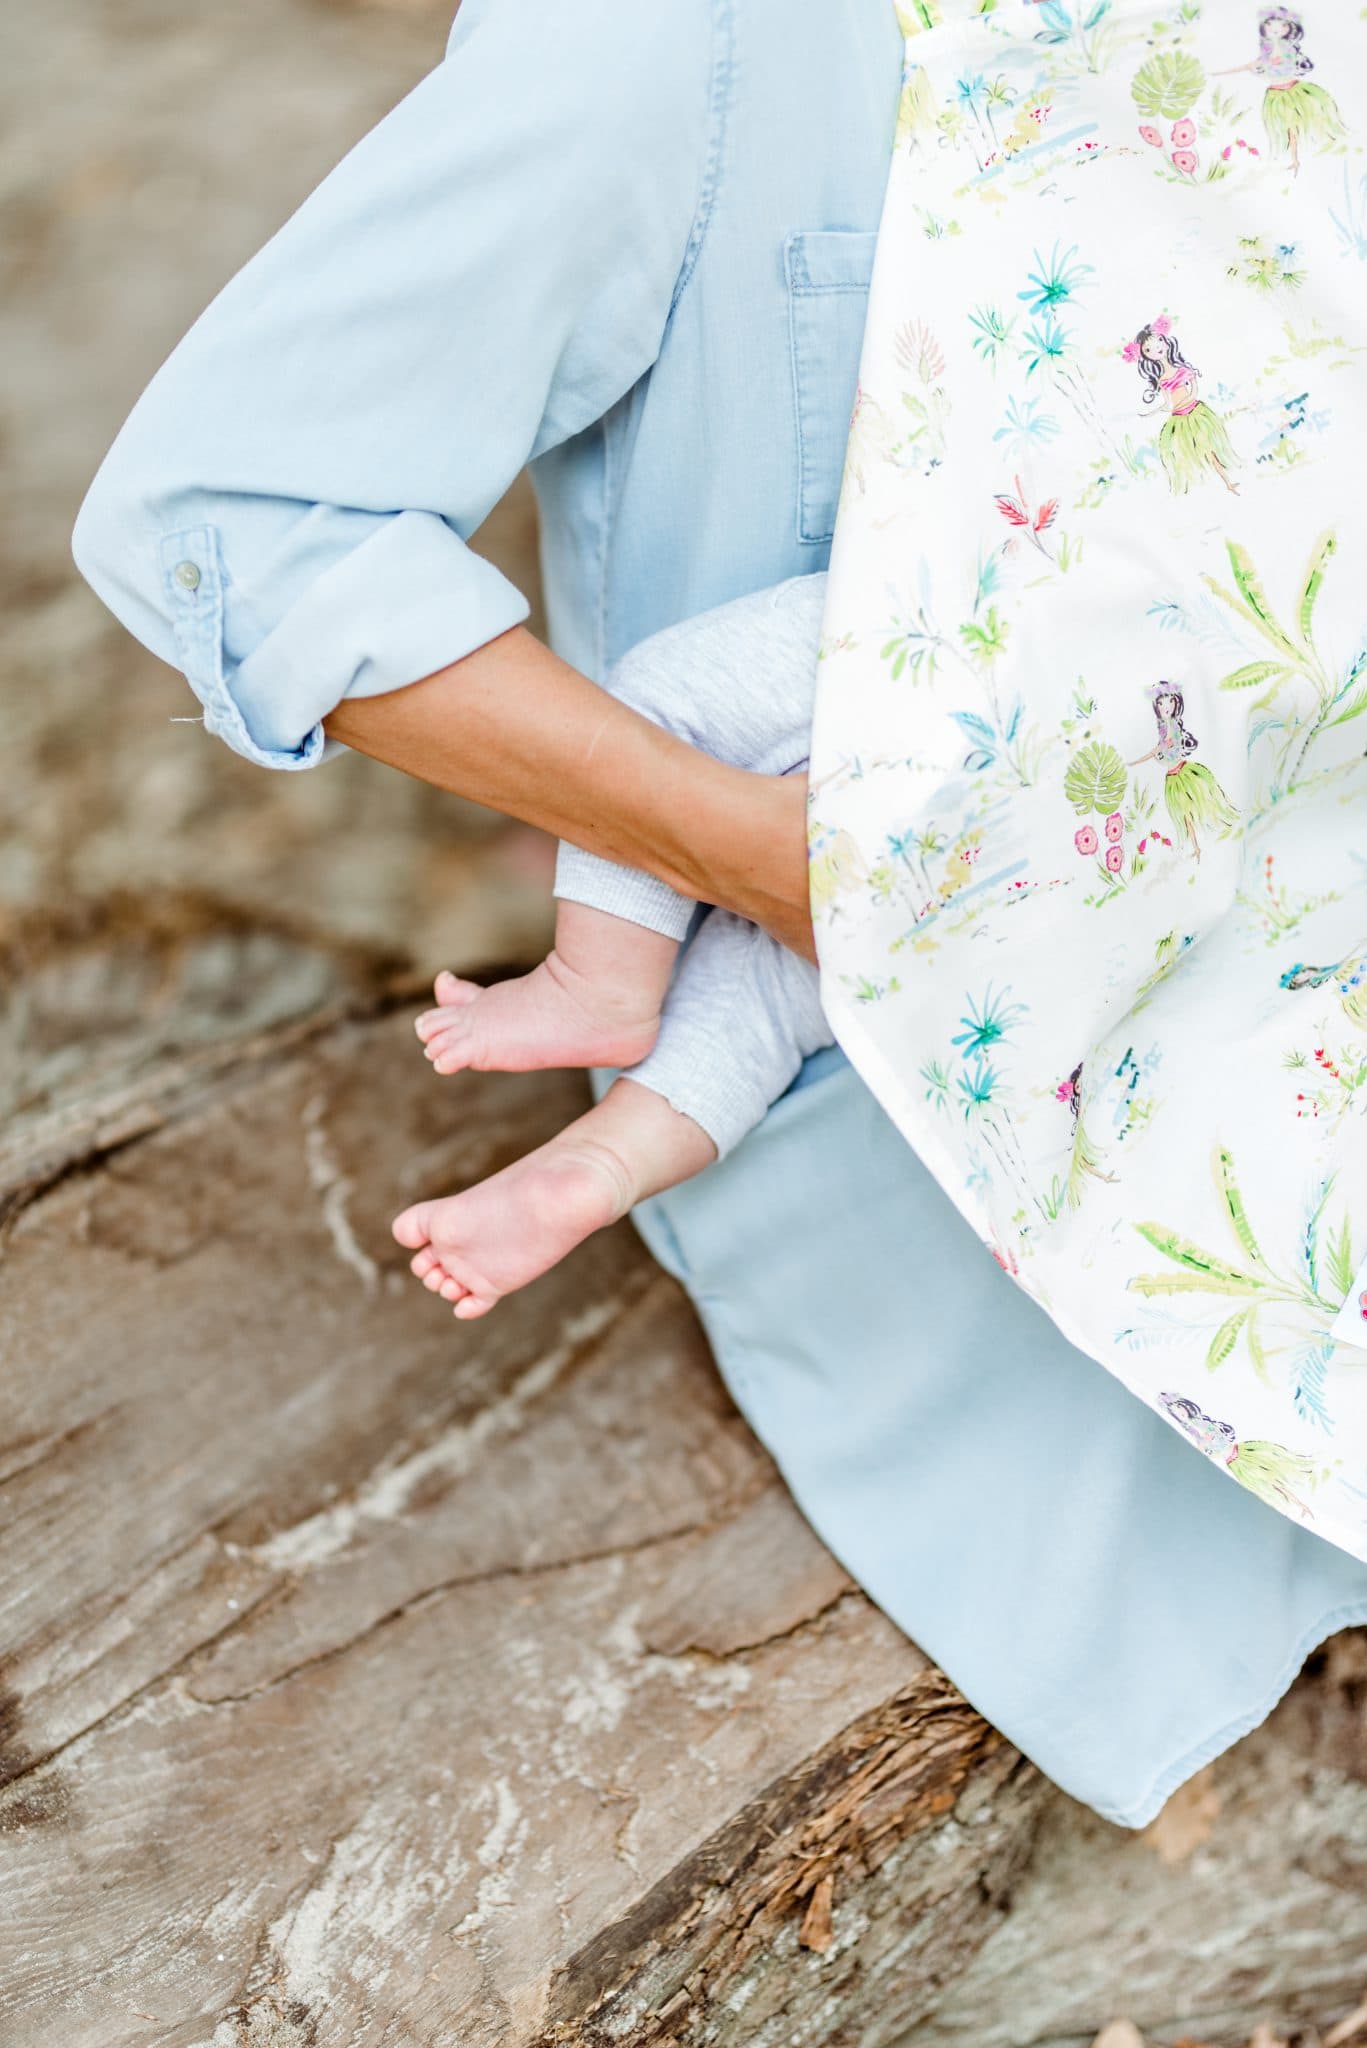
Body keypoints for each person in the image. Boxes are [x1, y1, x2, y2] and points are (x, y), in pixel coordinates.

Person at [72, 0, 1367, 1827]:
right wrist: (766, 864)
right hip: (885, 954)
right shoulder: (671, 37)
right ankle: (605, 1028)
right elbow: (235, 519)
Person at [402, 576, 831, 1319]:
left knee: (660, 712)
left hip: (1018, 668)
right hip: (1021, 917)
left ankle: (593, 985)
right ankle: (603, 1163)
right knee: (777, 999)